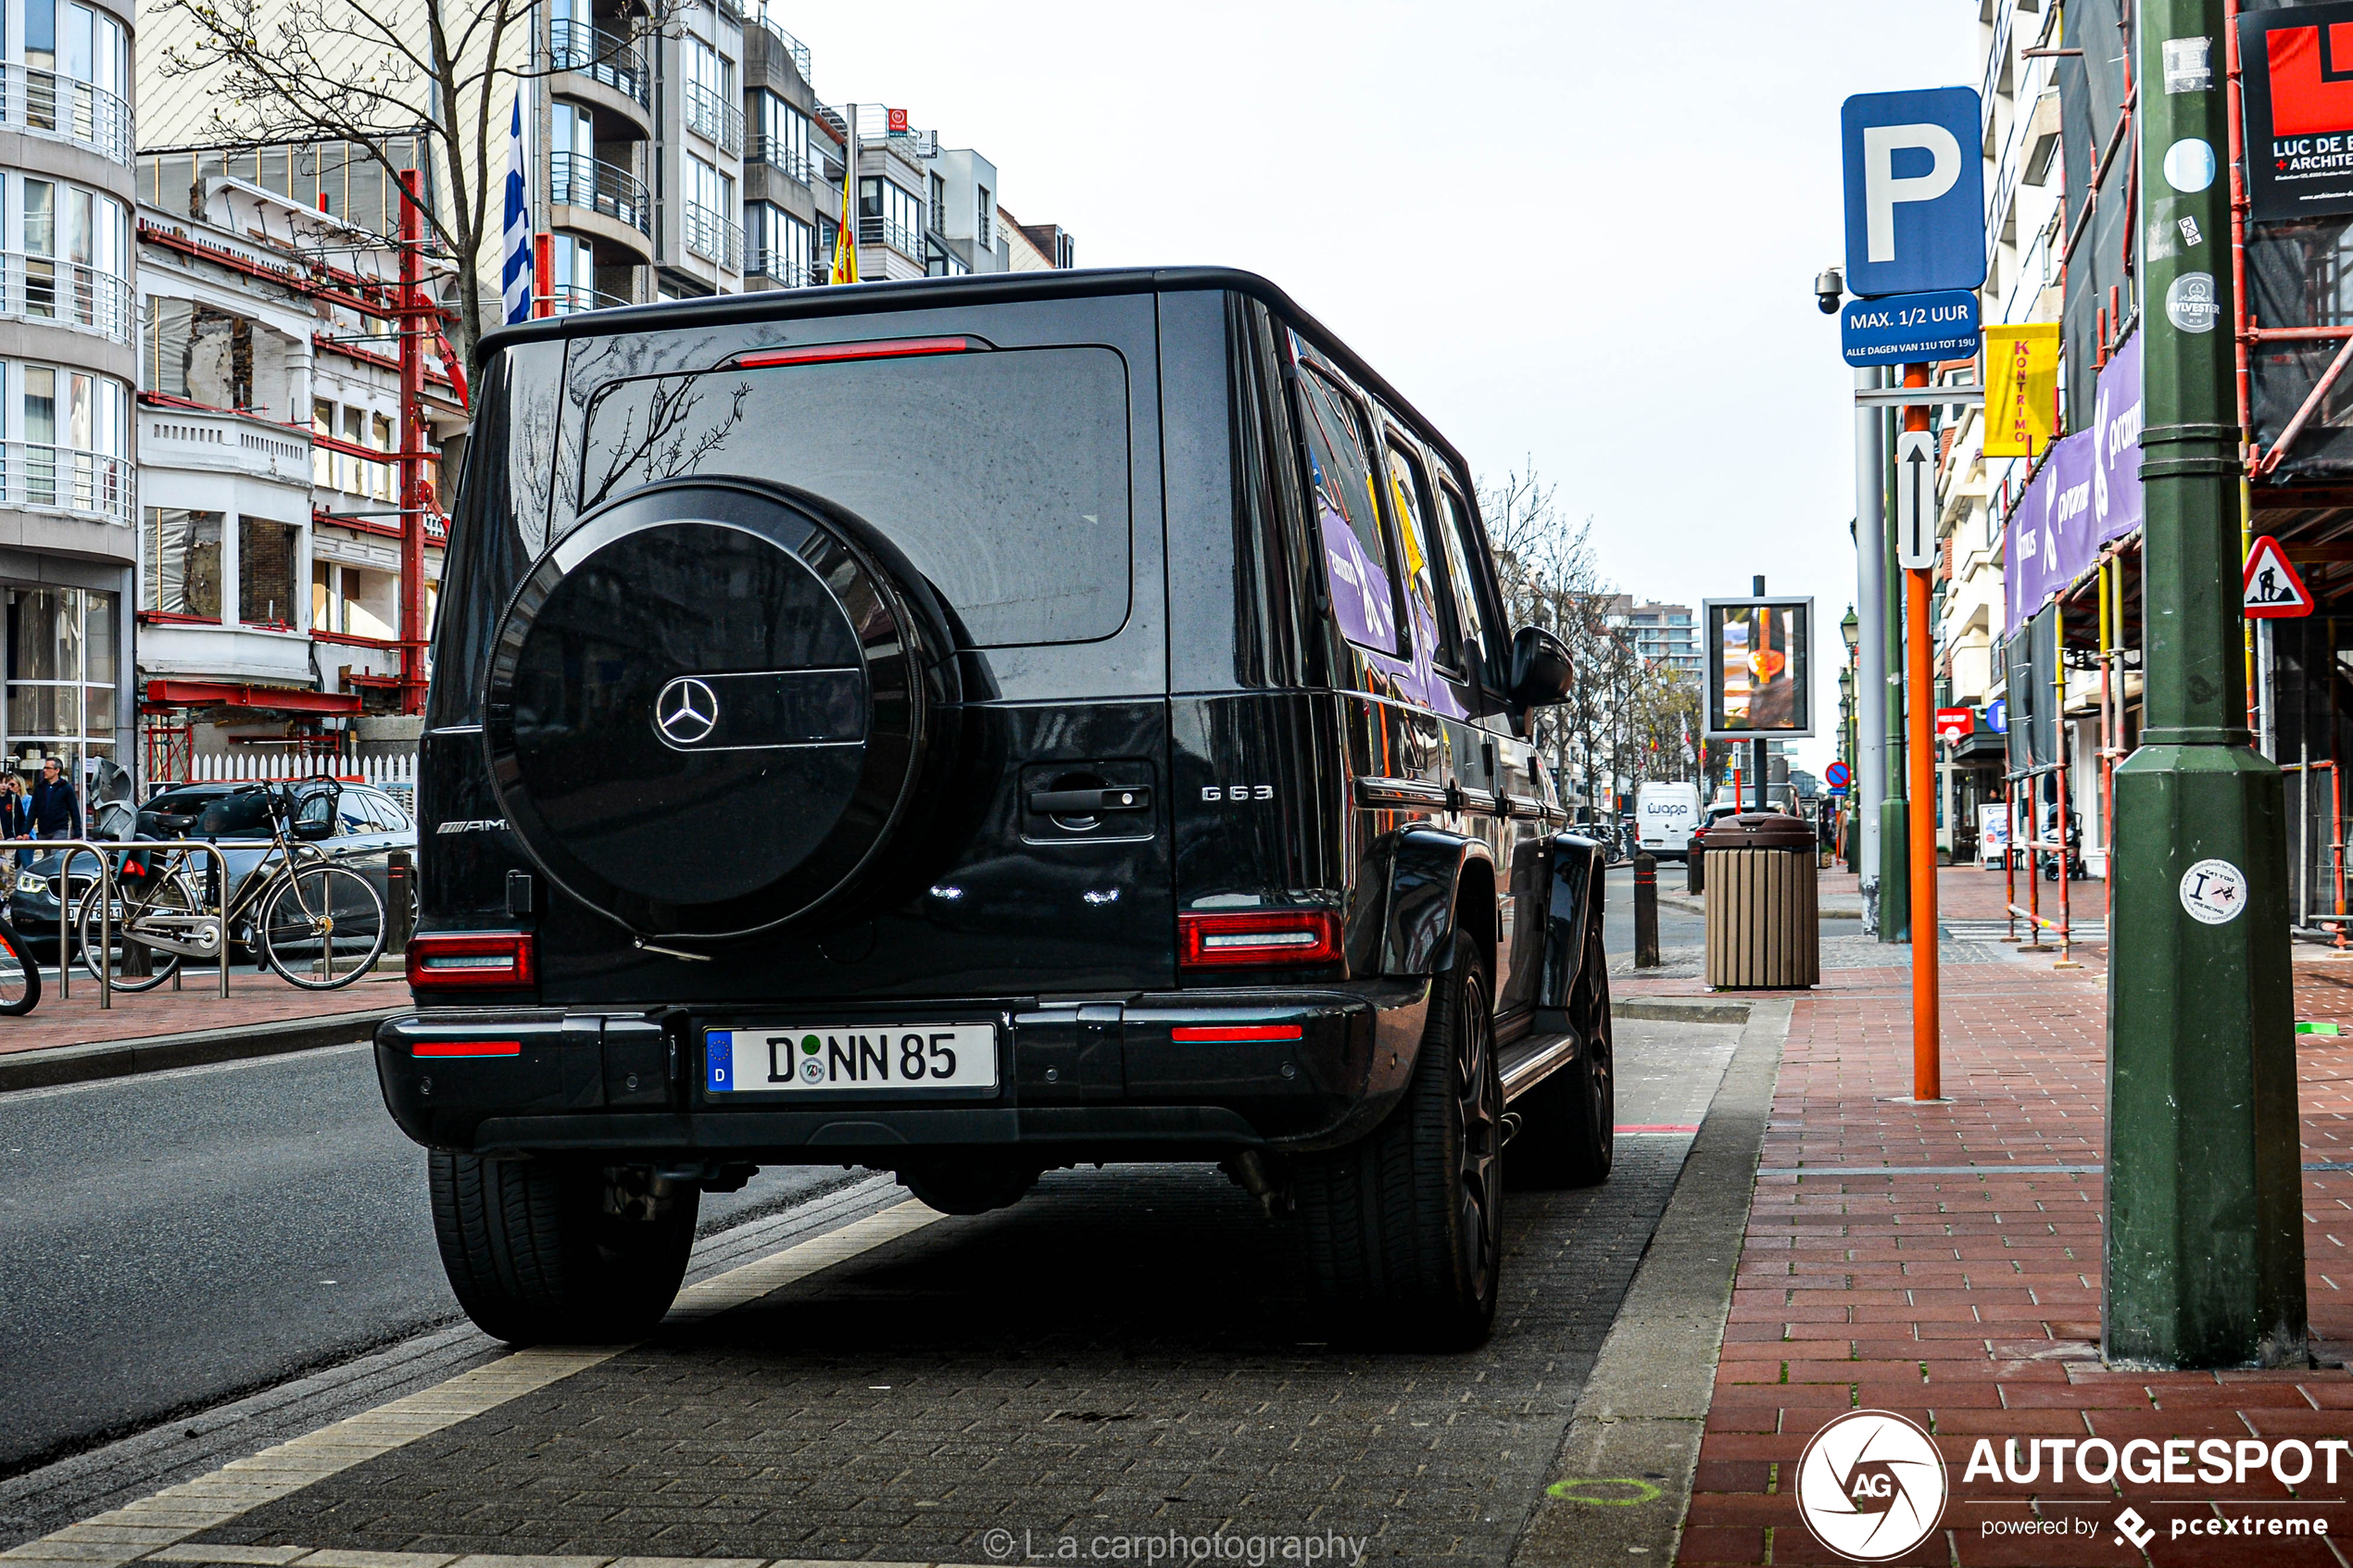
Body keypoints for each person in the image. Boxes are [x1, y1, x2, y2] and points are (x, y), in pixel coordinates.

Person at [29, 757, 79, 840]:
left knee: (56, 852)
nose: (44, 771)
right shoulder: (40, 788)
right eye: (44, 768)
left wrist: (77, 834)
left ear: (57, 770)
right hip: (43, 831)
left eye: (48, 768)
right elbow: (32, 811)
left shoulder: (66, 788)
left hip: (59, 829)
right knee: (47, 853)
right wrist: (26, 831)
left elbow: (74, 811)